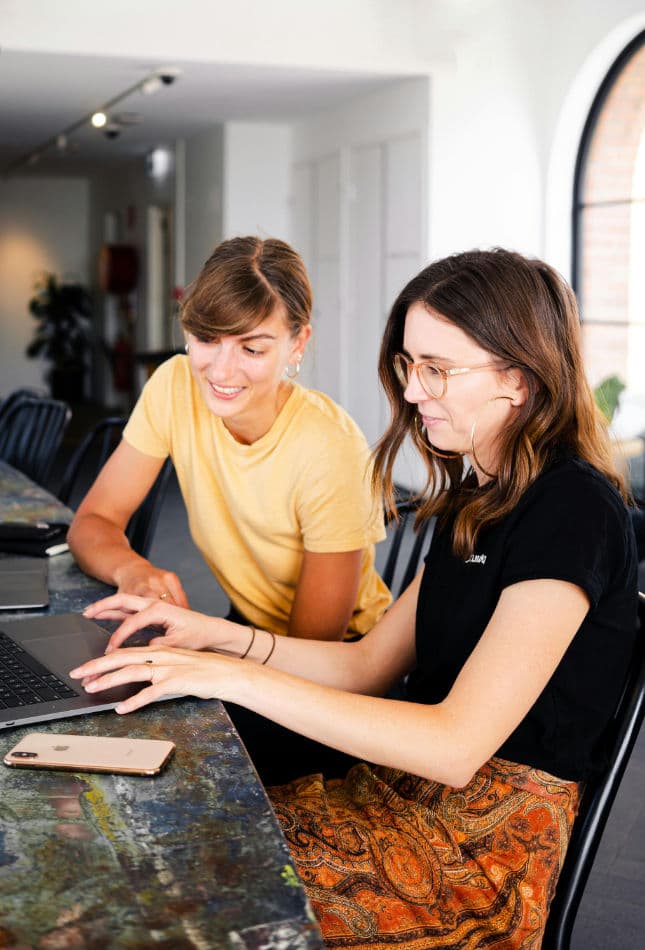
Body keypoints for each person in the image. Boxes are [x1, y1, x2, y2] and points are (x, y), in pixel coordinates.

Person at [70, 248, 639, 948]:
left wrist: (227, 674)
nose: (411, 391)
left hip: (475, 855)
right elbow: (368, 663)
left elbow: (457, 747)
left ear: (516, 380)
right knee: (129, 847)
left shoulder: (572, 508)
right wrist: (211, 638)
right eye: (408, 365)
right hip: (397, 795)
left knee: (167, 898)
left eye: (438, 369)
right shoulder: (479, 498)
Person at [67, 235, 389, 641]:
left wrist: (207, 643)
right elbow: (92, 522)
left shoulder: (331, 448)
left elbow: (314, 652)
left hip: (338, 662)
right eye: (207, 339)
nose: (220, 372)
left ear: (297, 345)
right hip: (248, 627)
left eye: (251, 349)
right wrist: (133, 570)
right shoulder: (174, 385)